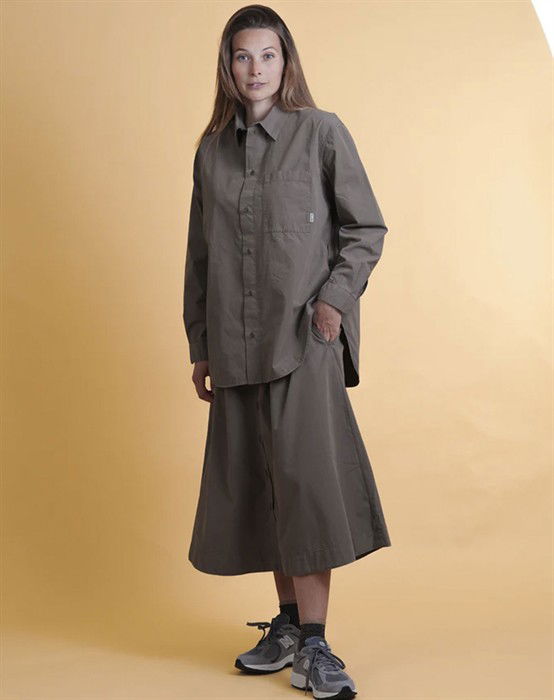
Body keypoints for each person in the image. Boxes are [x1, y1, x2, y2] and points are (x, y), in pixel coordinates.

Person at [182, 5, 391, 699]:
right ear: (228, 65)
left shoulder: (321, 132)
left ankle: (318, 644)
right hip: (234, 343)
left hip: (303, 341)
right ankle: (291, 626)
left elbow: (365, 228)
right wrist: (201, 343)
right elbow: (201, 255)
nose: (255, 69)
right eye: (242, 56)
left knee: (306, 486)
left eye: (267, 55)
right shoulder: (212, 151)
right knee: (264, 486)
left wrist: (334, 301)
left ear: (286, 61)